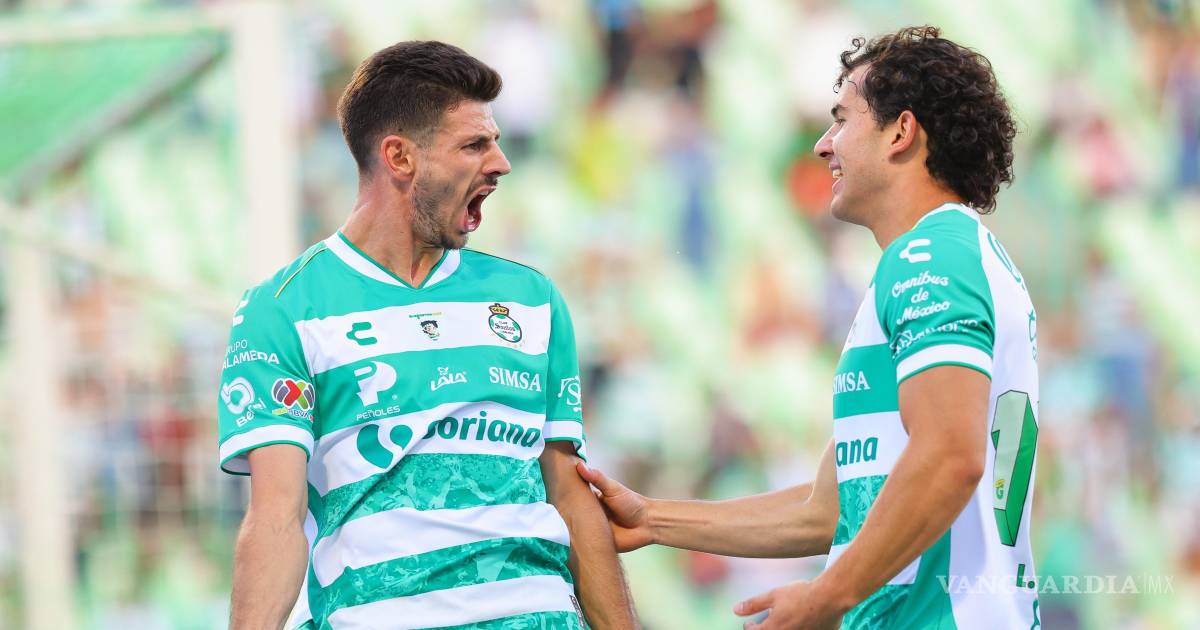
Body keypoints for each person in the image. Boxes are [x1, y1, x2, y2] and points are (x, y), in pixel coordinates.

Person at [579, 26, 1039, 629]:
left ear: (900, 132)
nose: (824, 145)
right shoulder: (945, 256)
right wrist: (654, 519)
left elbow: (951, 454)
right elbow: (829, 509)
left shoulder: (931, 257)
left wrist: (828, 595)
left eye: (841, 120)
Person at [216, 40, 636, 629]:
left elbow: (569, 496)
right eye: (474, 144)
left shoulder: (532, 300)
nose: (501, 163)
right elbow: (276, 519)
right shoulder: (284, 309)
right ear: (399, 157)